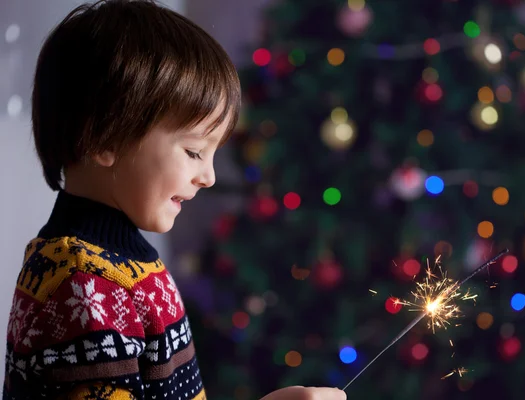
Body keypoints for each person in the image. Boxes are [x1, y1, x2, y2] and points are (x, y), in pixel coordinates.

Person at [3, 1, 347, 399]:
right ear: (105, 137)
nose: (209, 176)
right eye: (194, 152)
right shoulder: (84, 284)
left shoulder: (123, 263)